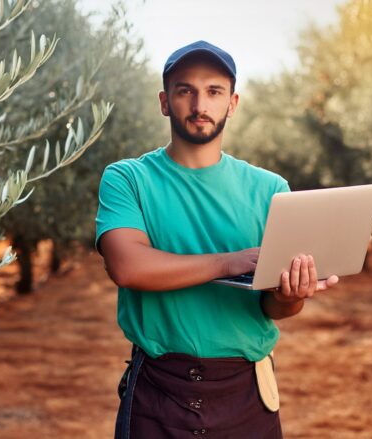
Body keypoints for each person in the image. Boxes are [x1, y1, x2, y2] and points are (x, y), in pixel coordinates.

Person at [95, 40, 339, 439]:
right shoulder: (127, 179)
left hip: (247, 396)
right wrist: (232, 261)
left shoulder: (271, 189)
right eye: (185, 90)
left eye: (214, 91)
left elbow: (275, 307)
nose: (199, 105)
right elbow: (127, 266)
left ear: (233, 103)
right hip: (157, 392)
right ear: (164, 101)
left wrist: (294, 292)